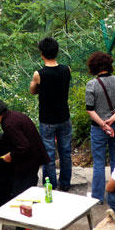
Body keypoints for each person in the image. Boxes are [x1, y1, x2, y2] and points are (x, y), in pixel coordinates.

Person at [0, 97, 50, 198]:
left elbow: (23, 146)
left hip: (30, 160)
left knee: (22, 193)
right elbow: (6, 138)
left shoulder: (9, 123)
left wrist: (10, 155)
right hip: (32, 158)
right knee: (22, 189)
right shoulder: (11, 116)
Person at [85, 52, 115, 203]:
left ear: (93, 67)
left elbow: (90, 109)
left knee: (98, 162)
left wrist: (103, 124)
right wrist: (112, 120)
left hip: (98, 128)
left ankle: (97, 197)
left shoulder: (91, 84)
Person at [30, 37, 72, 191]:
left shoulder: (39, 74)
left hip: (47, 119)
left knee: (48, 155)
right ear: (57, 51)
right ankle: (65, 183)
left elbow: (32, 90)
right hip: (64, 117)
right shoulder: (66, 69)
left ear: (42, 53)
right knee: (65, 152)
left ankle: (51, 186)